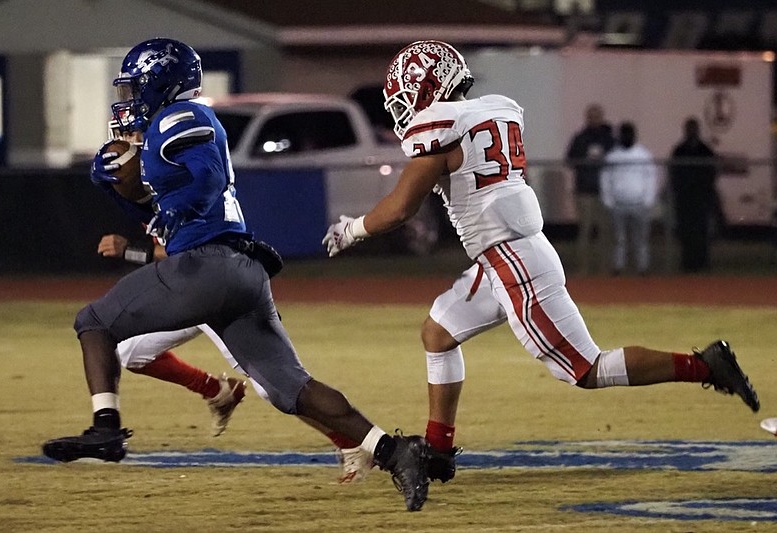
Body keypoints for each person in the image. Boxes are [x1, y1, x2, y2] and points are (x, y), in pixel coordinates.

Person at [323, 39, 760, 485]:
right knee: (438, 332)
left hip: (512, 261)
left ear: (427, 87)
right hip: (503, 255)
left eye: (405, 98)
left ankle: (707, 365)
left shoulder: (442, 126)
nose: (403, 112)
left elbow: (400, 208)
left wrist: (353, 228)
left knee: (588, 369)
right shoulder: (492, 110)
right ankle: (437, 450)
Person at [41, 38, 426, 512]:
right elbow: (162, 204)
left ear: (160, 82)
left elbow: (202, 180)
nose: (129, 98)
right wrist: (121, 187)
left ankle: (106, 431)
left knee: (94, 322)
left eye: (135, 86)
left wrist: (172, 211)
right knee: (291, 389)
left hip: (205, 267)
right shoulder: (169, 128)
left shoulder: (177, 117)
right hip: (240, 273)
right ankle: (395, 452)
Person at [98, 232, 373, 482]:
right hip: (190, 296)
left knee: (274, 386)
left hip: (223, 299)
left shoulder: (182, 186)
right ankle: (217, 391)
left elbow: (187, 254)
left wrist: (130, 250)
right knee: (130, 352)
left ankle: (352, 442)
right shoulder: (154, 192)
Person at [599, 121, 659, 276]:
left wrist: (648, 200)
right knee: (619, 239)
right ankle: (618, 267)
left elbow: (651, 177)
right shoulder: (613, 156)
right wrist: (608, 200)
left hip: (640, 203)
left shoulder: (643, 155)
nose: (626, 137)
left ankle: (642, 268)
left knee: (641, 239)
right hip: (618, 203)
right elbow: (606, 179)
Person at [566, 103, 615, 275]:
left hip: (604, 191)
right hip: (584, 190)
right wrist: (585, 159)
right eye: (591, 116)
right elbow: (570, 159)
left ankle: (604, 268)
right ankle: (583, 268)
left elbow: (615, 158)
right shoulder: (580, 138)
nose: (594, 119)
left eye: (597, 116)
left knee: (605, 230)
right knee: (585, 231)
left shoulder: (609, 138)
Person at [668, 117, 718, 273]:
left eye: (694, 128)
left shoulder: (706, 151)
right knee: (686, 231)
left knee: (702, 230)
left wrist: (704, 188)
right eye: (689, 128)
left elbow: (712, 172)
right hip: (684, 198)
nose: (691, 131)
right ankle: (688, 262)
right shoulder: (679, 150)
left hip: (701, 197)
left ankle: (703, 262)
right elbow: (673, 173)